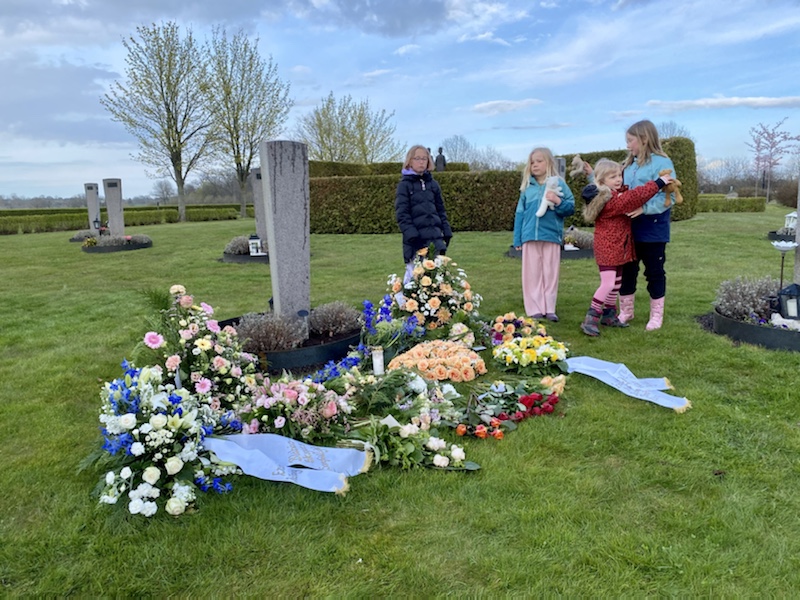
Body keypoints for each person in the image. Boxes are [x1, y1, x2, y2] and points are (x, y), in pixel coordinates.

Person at [579, 159, 672, 336]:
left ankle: (609, 314)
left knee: (616, 283)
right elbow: (634, 197)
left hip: (618, 248)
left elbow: (627, 194)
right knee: (607, 283)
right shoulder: (610, 200)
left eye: (619, 175)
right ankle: (591, 317)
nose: (618, 179)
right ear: (601, 181)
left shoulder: (613, 194)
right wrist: (658, 183)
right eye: (612, 177)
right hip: (608, 248)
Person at [618, 119, 677, 330]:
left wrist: (644, 208)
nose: (627, 146)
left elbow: (668, 196)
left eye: (630, 141)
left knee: (654, 272)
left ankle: (656, 316)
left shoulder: (663, 164)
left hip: (653, 229)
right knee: (627, 271)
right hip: (628, 229)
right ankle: (626, 311)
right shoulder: (628, 166)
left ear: (644, 139)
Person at [513, 147, 575, 321]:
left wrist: (557, 201)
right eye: (532, 162)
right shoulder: (527, 188)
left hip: (551, 236)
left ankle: (549, 308)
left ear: (549, 163)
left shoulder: (559, 184)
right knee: (532, 274)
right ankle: (534, 308)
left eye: (539, 161)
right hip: (529, 237)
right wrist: (517, 238)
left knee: (550, 272)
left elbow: (570, 207)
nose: (535, 165)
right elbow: (519, 214)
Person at [395, 145, 453, 283]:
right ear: (410, 161)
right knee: (415, 282)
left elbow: (440, 210)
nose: (421, 162)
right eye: (417, 158)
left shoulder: (433, 185)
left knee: (438, 282)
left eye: (424, 159)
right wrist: (413, 236)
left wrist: (446, 230)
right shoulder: (404, 185)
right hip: (416, 243)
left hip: (435, 240)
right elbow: (402, 214)